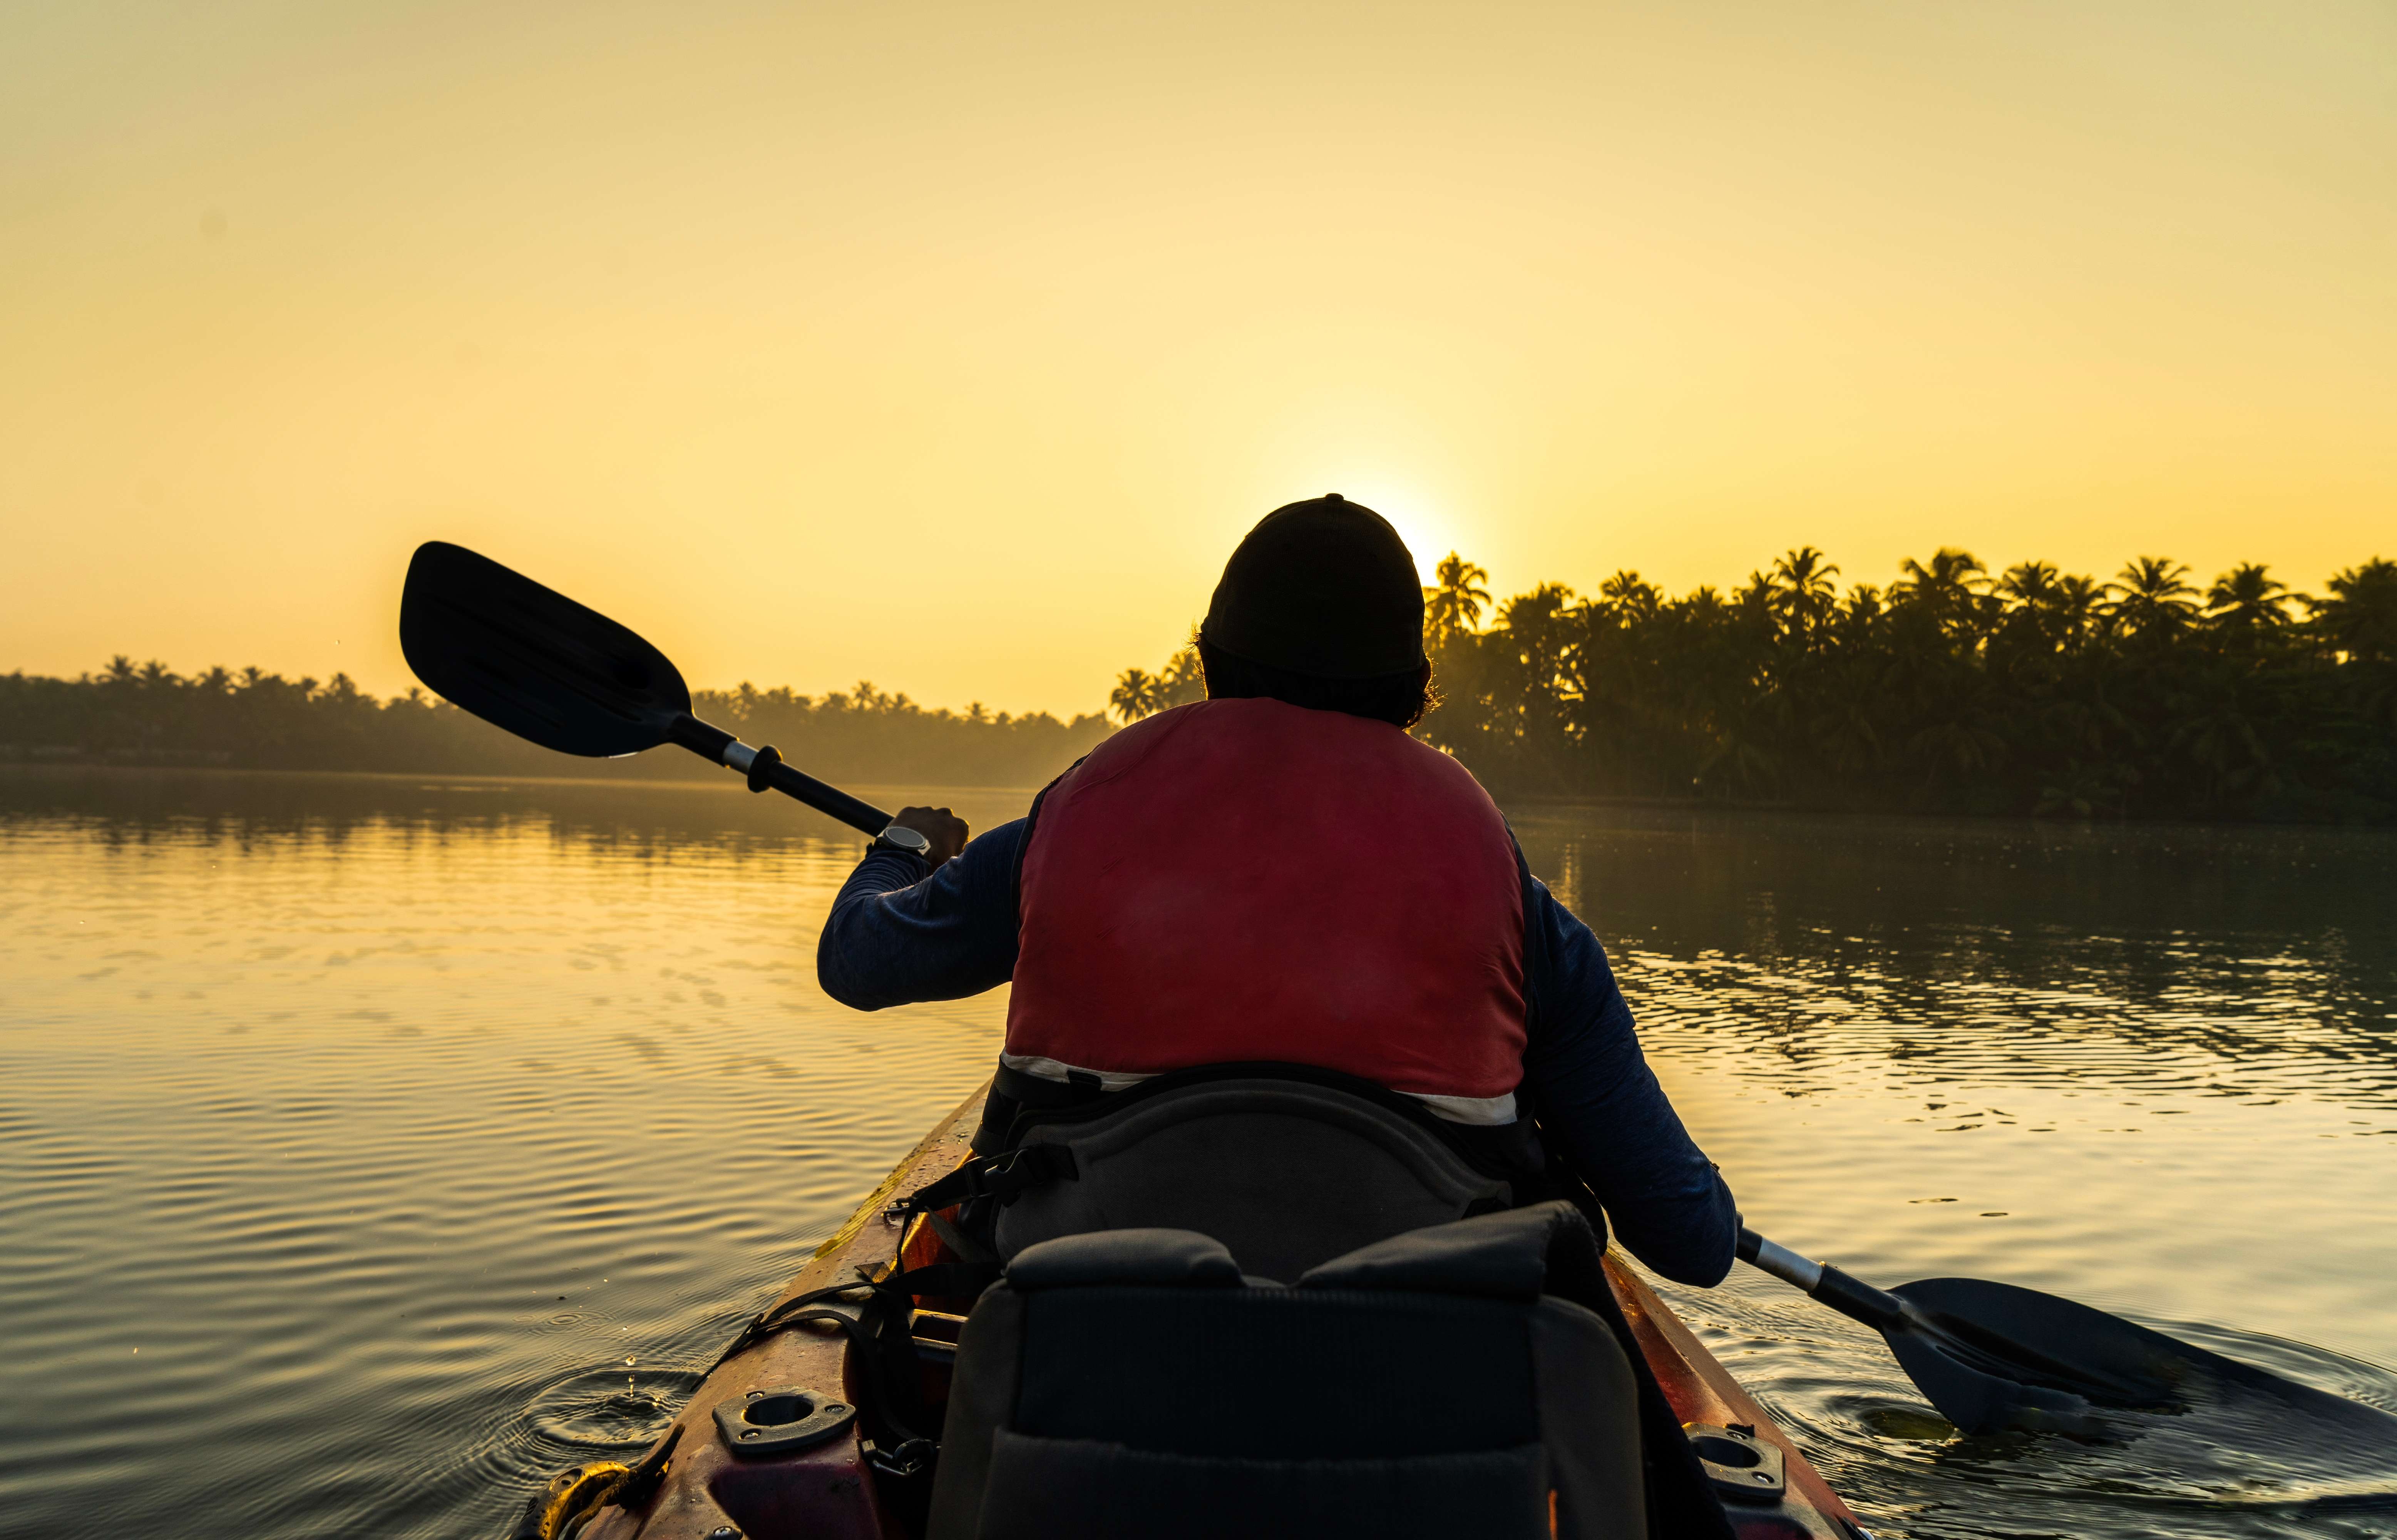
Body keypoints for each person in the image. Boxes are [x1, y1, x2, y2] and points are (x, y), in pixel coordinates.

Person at [817, 495, 1736, 1286]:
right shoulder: (1518, 911)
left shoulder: (1059, 833)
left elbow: (856, 960)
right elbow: (1689, 1240)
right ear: (1415, 689)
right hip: (1424, 1382)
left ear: (1210, 657)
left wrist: (904, 848)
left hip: (1077, 1343)